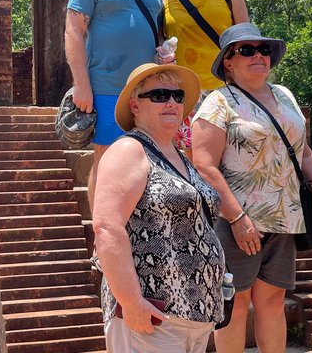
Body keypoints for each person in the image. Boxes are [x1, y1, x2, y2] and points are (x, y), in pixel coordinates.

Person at [191, 23, 312, 353]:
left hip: (284, 218)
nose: (258, 55)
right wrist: (237, 218)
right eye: (246, 50)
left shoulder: (285, 95)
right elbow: (203, 164)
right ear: (229, 63)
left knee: (274, 301)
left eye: (263, 49)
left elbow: (302, 153)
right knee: (235, 305)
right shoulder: (218, 103)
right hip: (237, 221)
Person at [93, 63, 225, 353]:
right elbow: (107, 228)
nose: (171, 102)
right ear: (135, 106)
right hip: (153, 316)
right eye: (159, 95)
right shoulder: (129, 150)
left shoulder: (178, 157)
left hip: (194, 314)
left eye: (177, 96)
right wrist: (131, 302)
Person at [64, 0, 164, 210]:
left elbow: (155, 34)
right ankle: (103, 234)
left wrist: (164, 55)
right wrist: (81, 83)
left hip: (147, 90)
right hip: (107, 87)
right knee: (107, 162)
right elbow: (73, 30)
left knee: (146, 164)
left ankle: (136, 233)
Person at [159, 0, 249, 152]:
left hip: (228, 87)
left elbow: (246, 38)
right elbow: (161, 42)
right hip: (187, 93)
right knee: (193, 165)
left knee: (234, 160)